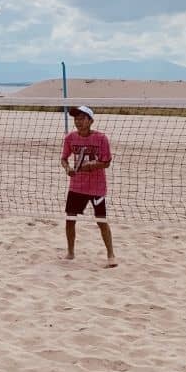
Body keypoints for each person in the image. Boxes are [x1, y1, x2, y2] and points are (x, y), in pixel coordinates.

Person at [60, 106, 117, 268]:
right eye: (76, 119)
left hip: (96, 187)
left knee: (101, 220)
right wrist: (68, 168)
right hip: (76, 186)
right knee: (70, 219)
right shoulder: (70, 138)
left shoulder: (101, 138)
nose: (78, 121)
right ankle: (70, 252)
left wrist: (93, 165)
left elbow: (106, 162)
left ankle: (111, 255)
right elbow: (64, 158)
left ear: (90, 121)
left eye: (82, 118)